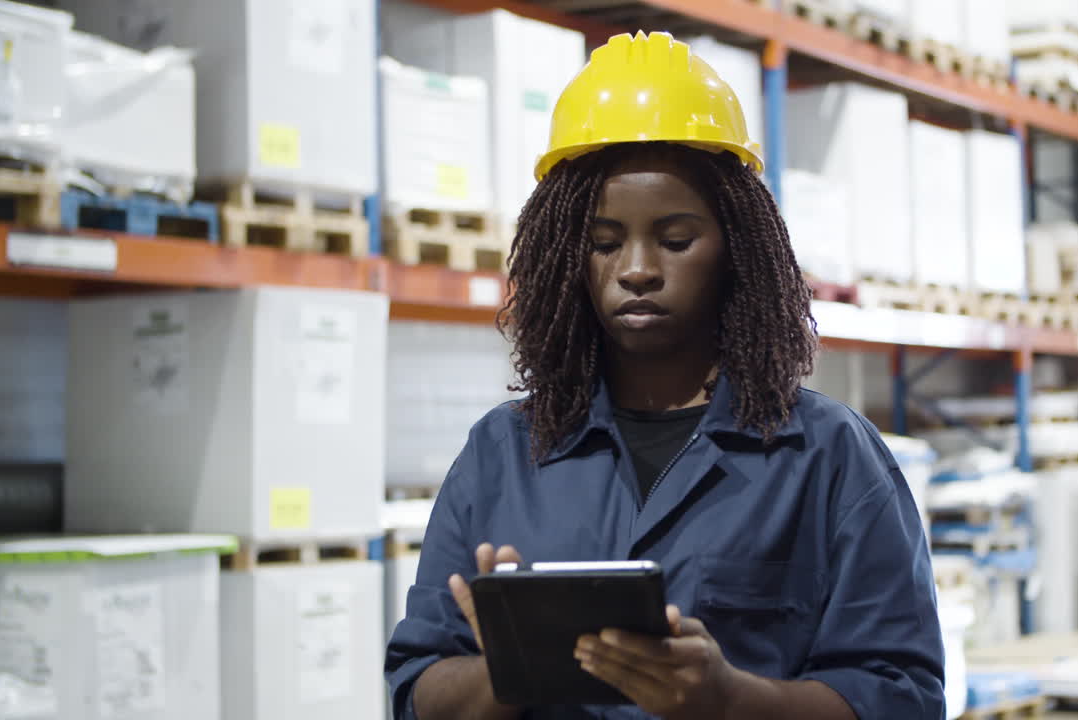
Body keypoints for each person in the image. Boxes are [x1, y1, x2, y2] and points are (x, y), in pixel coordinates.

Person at [385, 31, 944, 720]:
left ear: (737, 249)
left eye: (676, 240)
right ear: (568, 257)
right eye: (603, 243)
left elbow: (904, 697)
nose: (638, 269)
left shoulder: (827, 456)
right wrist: (513, 670)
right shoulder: (500, 456)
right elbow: (417, 689)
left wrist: (731, 700)